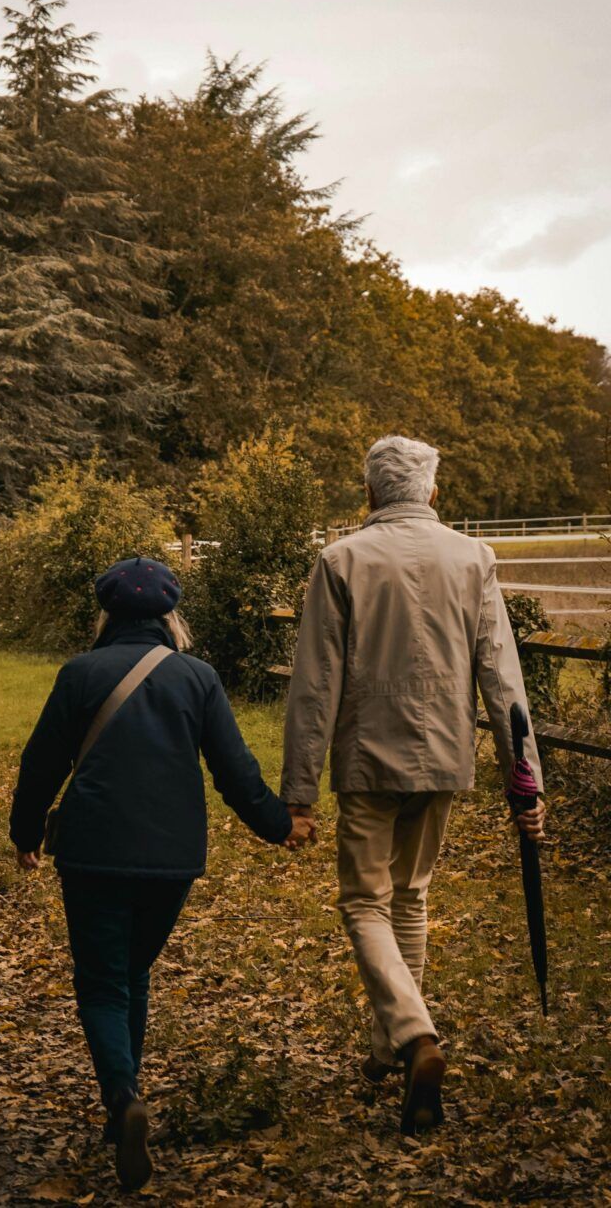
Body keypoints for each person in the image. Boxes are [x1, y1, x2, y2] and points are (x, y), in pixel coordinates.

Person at [9, 555, 310, 1191]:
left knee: (100, 981)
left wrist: (26, 832)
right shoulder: (197, 678)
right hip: (172, 859)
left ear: (107, 613)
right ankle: (128, 1099)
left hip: (92, 851)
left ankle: (122, 1099)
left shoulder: (80, 673)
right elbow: (235, 771)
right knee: (134, 970)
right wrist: (279, 826)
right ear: (171, 616)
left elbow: (41, 764)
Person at [280, 435, 546, 1136]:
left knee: (365, 902)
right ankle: (388, 1047)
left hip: (369, 760)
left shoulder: (341, 560)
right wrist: (527, 783)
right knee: (413, 895)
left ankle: (414, 1036)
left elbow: (314, 688)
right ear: (431, 492)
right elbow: (503, 680)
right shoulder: (473, 557)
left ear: (368, 493)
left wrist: (300, 794)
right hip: (446, 756)